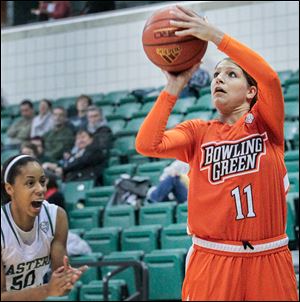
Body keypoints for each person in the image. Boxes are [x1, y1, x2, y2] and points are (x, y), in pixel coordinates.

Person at [136, 5, 298, 301]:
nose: (219, 79)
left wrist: (215, 37)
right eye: (216, 75)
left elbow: (270, 79)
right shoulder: (197, 131)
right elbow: (148, 144)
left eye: (231, 74)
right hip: (212, 259)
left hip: (268, 256)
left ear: (251, 92)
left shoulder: (265, 125)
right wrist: (173, 87)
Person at [1, 155, 88, 300]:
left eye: (42, 182)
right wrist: (47, 290)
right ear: (10, 188)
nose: (40, 189)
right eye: (30, 183)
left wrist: (64, 282)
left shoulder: (56, 217)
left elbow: (59, 286)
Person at [43, 129, 108, 184]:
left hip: (88, 181)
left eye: (83, 137)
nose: (80, 140)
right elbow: (69, 164)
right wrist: (56, 166)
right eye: (78, 138)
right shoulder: (75, 154)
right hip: (73, 180)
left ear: (91, 139)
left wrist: (63, 169)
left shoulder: (94, 150)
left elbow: (82, 161)